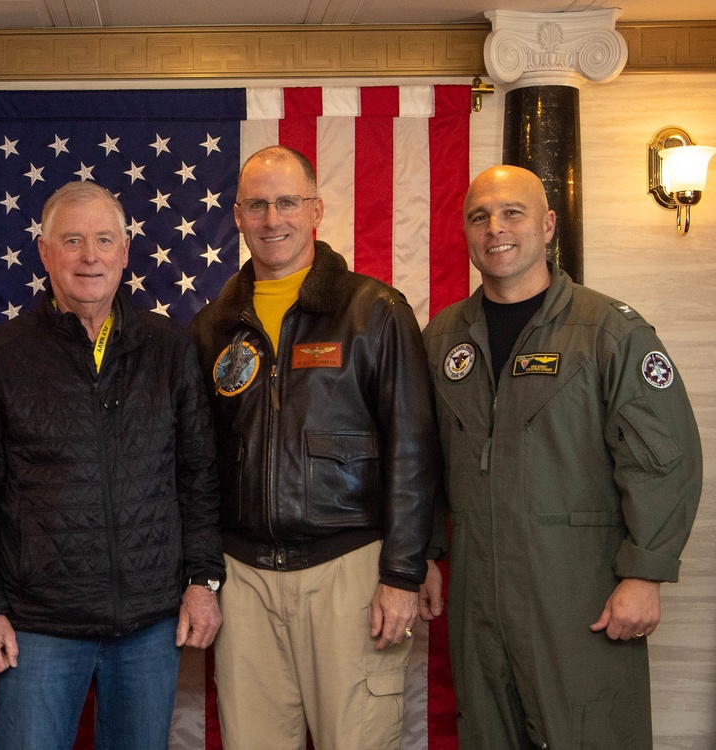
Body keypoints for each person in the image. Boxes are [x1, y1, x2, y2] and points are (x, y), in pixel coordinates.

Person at [420, 165, 703, 749]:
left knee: (591, 733)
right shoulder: (444, 337)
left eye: (512, 213)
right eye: (480, 217)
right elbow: (421, 458)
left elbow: (663, 457)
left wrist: (646, 571)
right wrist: (423, 553)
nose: (495, 228)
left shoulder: (608, 332)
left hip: (578, 592)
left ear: (548, 226)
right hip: (478, 594)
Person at [0, 180, 224, 750]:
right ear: (45, 253)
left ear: (125, 252)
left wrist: (202, 580)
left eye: (103, 240)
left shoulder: (169, 348)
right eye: (72, 240)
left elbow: (198, 477)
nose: (90, 256)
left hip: (149, 624)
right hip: (37, 626)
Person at [189, 145, 443, 750]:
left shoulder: (373, 311)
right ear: (239, 215)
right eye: (257, 205)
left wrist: (403, 574)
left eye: (287, 202)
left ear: (316, 210)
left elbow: (414, 447)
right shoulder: (210, 328)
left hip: (349, 573)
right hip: (243, 577)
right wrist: (200, 572)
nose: (272, 218)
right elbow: (195, 465)